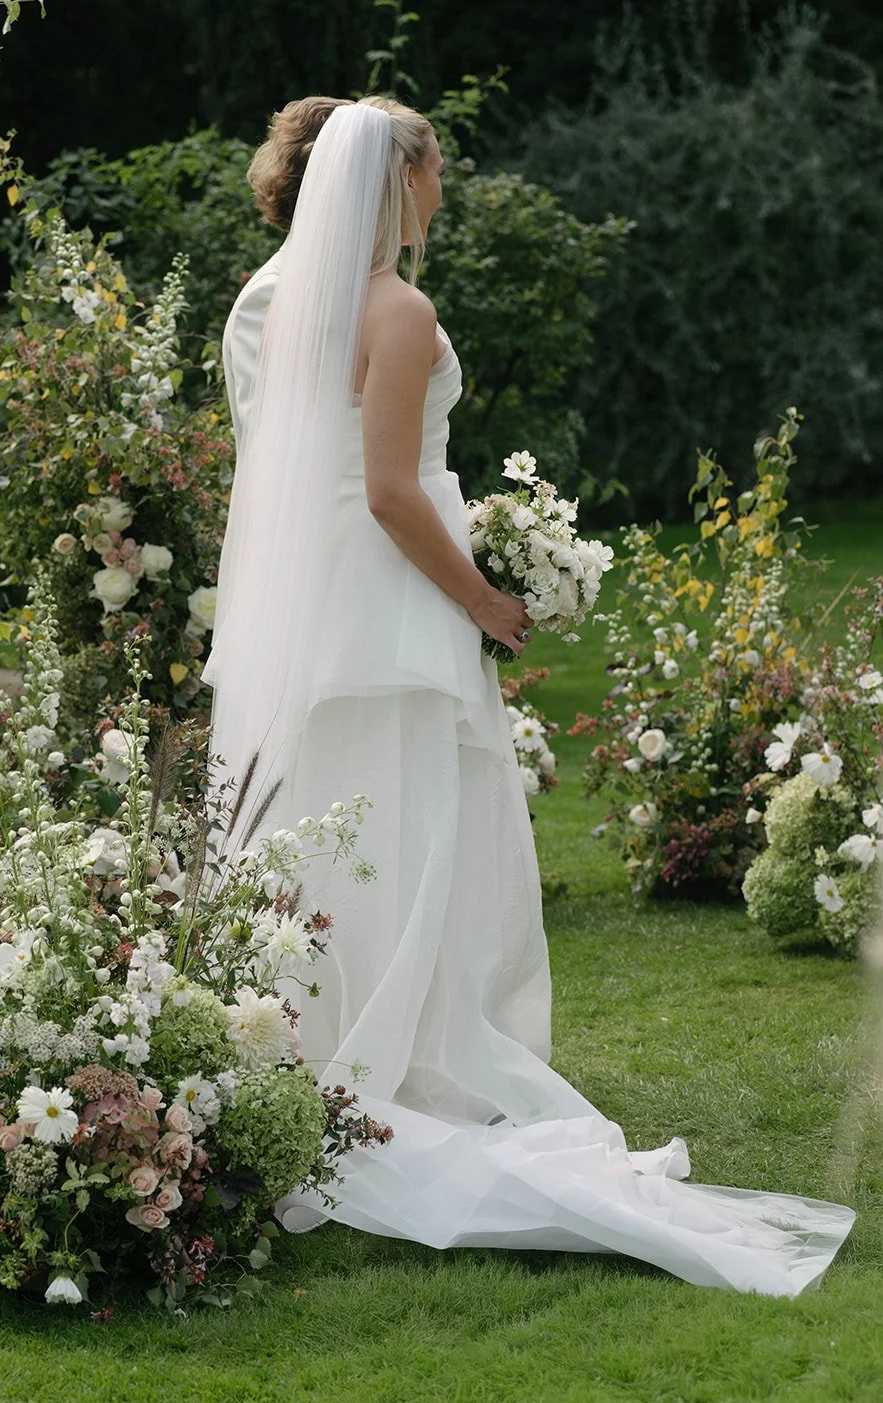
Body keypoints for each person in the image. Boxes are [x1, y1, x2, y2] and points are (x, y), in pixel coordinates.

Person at [202, 95, 856, 1295]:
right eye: (436, 166)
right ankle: (399, 1062)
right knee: (413, 829)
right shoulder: (395, 310)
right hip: (398, 604)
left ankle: (304, 1049)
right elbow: (395, 490)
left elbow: (295, 472)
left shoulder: (263, 298)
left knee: (324, 830)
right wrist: (487, 599)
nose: (444, 186)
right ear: (393, 182)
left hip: (303, 616)